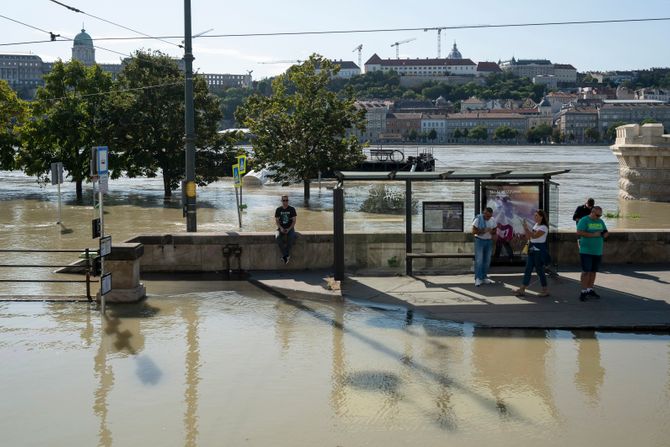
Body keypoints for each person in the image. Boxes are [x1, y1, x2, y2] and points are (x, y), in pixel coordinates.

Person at [514, 210, 550, 297]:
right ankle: (522, 289)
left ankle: (545, 289)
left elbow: (534, 236)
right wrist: (525, 230)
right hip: (532, 250)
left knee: (539, 270)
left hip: (539, 251)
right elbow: (529, 237)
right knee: (528, 269)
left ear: (541, 217)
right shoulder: (536, 225)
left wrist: (526, 228)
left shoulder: (544, 227)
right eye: (535, 215)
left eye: (537, 216)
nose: (535, 217)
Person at [576, 206, 608, 301]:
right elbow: (579, 232)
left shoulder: (600, 221)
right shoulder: (584, 220)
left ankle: (590, 289)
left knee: (593, 271)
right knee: (586, 271)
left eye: (600, 215)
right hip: (586, 250)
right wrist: (593, 235)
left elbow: (605, 232)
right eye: (598, 215)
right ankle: (583, 291)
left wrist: (605, 234)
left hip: (597, 250)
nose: (599, 217)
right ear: (592, 212)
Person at [472, 207, 497, 286]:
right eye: (486, 216)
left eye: (489, 216)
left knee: (487, 260)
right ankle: (478, 278)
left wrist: (492, 231)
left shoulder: (492, 220)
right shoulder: (478, 219)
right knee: (479, 260)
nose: (488, 217)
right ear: (484, 213)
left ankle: (484, 277)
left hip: (488, 241)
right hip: (479, 240)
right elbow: (473, 231)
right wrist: (483, 230)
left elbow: (495, 230)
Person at [274, 195, 297, 264]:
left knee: (292, 237)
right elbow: (277, 221)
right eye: (284, 200)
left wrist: (289, 229)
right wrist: (281, 228)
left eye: (287, 200)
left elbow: (294, 221)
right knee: (277, 237)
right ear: (281, 201)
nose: (285, 202)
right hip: (280, 227)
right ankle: (286, 255)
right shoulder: (278, 209)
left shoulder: (292, 209)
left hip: (290, 228)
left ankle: (285, 256)